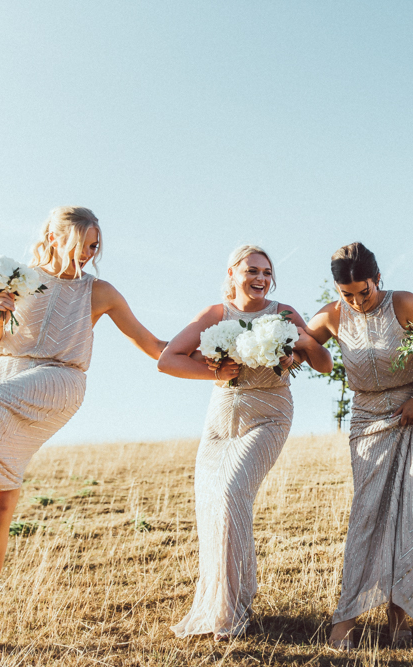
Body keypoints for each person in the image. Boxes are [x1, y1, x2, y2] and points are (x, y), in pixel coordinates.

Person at [0, 206, 166, 657]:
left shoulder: (100, 292)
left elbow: (151, 344)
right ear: (54, 238)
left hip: (56, 381)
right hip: (0, 378)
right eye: (82, 244)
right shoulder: (16, 279)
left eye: (95, 246)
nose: (89, 255)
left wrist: (212, 356)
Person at [160, 244, 331, 639]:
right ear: (233, 273)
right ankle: (217, 604)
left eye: (267, 273)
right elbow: (168, 358)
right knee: (210, 503)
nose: (261, 279)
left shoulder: (283, 313)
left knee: (232, 493)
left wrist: (300, 347)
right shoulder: (216, 315)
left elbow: (324, 363)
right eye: (253, 270)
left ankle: (234, 608)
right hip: (221, 418)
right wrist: (215, 373)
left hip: (269, 414)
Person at [304, 242, 413, 651]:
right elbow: (300, 346)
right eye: (347, 294)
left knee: (411, 513)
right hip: (366, 419)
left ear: (377, 279)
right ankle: (346, 617)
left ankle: (399, 616)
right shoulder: (332, 316)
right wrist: (290, 348)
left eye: (363, 292)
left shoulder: (403, 303)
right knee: (366, 515)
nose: (357, 301)